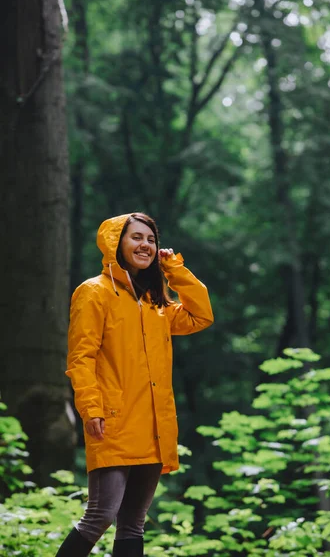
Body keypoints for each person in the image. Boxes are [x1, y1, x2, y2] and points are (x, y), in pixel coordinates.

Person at [56, 212, 214, 557]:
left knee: (134, 523)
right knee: (99, 516)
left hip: (154, 425)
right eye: (136, 237)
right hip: (111, 421)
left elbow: (201, 314)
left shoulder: (156, 303)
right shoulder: (93, 292)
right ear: (117, 243)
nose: (145, 244)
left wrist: (174, 269)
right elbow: (81, 358)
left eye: (151, 239)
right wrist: (90, 408)